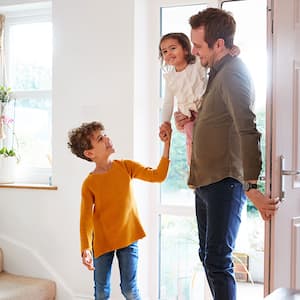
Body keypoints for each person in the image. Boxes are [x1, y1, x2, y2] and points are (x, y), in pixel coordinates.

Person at [160, 7, 279, 300]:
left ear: (219, 44)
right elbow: (211, 118)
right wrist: (186, 119)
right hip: (205, 181)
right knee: (208, 256)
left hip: (224, 181)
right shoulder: (216, 72)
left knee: (217, 260)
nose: (194, 51)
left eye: (198, 46)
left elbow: (247, 129)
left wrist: (251, 185)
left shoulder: (233, 74)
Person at [67, 121, 172, 300]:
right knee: (101, 292)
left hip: (128, 237)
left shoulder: (125, 167)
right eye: (100, 138)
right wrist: (85, 247)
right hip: (102, 241)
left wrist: (167, 144)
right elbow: (86, 218)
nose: (107, 138)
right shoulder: (89, 184)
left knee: (129, 289)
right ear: (90, 153)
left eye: (104, 134)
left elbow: (158, 175)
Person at [159, 32, 239, 164]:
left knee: (212, 137)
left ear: (185, 49)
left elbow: (216, 61)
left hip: (207, 109)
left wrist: (230, 52)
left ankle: (217, 160)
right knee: (191, 138)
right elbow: (168, 102)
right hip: (188, 115)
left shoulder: (197, 63)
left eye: (173, 48)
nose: (168, 53)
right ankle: (194, 168)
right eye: (164, 51)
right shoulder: (170, 77)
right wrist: (165, 123)